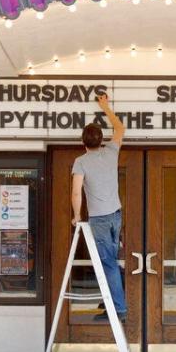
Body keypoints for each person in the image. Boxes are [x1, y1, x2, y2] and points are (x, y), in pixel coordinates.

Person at [71, 93, 126, 323]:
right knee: (111, 260)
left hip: (100, 219)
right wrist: (105, 107)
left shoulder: (81, 161)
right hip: (116, 215)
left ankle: (119, 309)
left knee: (108, 263)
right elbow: (120, 128)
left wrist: (76, 217)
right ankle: (112, 298)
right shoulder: (111, 152)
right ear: (101, 139)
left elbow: (76, 192)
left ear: (83, 142)